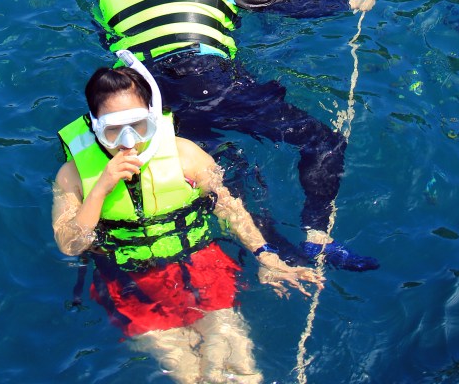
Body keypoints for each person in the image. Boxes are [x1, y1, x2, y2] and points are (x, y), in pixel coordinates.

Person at [93, 0, 379, 273]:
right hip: (208, 79)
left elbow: (113, 42)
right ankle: (316, 235)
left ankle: (271, 252)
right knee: (322, 141)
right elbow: (283, 4)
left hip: (150, 95)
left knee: (222, 172)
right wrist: (348, 2)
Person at [54, 55, 321, 384]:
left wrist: (266, 256)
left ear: (153, 117)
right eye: (113, 131)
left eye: (139, 126)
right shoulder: (72, 176)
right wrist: (100, 189)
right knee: (190, 375)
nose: (128, 141)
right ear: (95, 126)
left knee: (239, 366)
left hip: (201, 269)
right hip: (131, 284)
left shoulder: (186, 155)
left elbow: (229, 207)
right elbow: (69, 245)